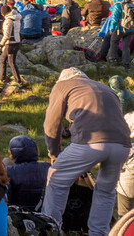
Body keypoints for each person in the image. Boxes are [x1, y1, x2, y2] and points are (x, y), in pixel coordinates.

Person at [42, 68, 131, 236]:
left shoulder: (63, 85)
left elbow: (52, 124)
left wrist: (54, 153)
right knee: (105, 191)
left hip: (91, 143)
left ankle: (51, 228)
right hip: (122, 144)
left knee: (57, 179)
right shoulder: (106, 88)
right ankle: (98, 233)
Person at [6, 135, 49, 210]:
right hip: (44, 214)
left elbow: (7, 199)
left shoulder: (10, 171)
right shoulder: (48, 167)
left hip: (19, 215)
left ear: (13, 152)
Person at [0, 0, 23, 84]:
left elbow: (7, 35)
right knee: (3, 59)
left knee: (11, 62)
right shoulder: (16, 17)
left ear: (3, 13)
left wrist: (1, 44)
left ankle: (18, 81)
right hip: (16, 41)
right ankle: (2, 77)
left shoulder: (8, 20)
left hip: (10, 43)